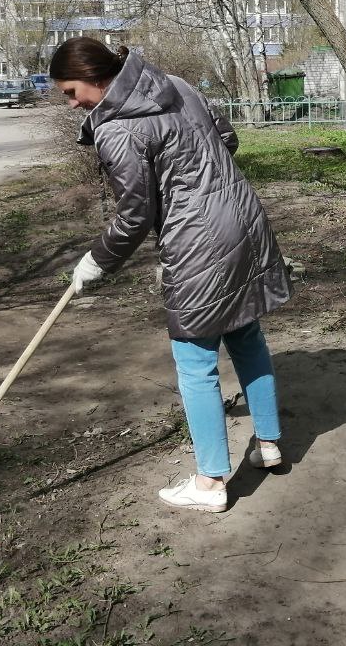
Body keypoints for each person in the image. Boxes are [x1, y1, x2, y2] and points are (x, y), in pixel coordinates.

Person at [53, 37, 291, 514]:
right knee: (245, 333)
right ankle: (269, 445)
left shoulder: (117, 129)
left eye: (72, 92)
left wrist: (96, 261)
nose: (73, 103)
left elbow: (135, 214)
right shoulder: (177, 84)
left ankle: (209, 483)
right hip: (242, 218)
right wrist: (198, 181)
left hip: (197, 242)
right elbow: (227, 139)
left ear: (96, 78)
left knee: (195, 361)